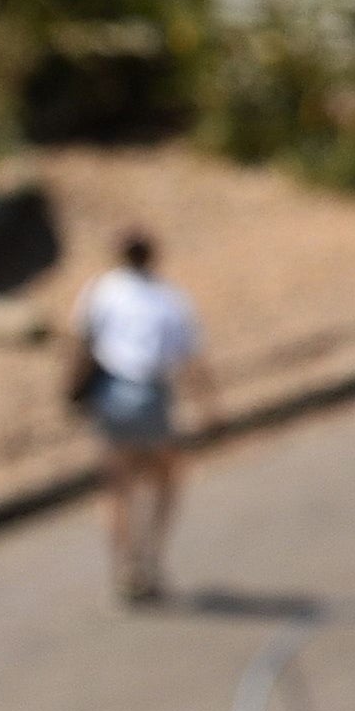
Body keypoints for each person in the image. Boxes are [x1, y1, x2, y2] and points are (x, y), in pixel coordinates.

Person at [71, 230, 214, 604]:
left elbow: (82, 343)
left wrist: (74, 395)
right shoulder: (169, 298)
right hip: (149, 395)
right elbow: (190, 358)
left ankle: (124, 566)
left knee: (117, 487)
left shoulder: (101, 290)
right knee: (165, 480)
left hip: (109, 394)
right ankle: (150, 557)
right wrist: (209, 407)